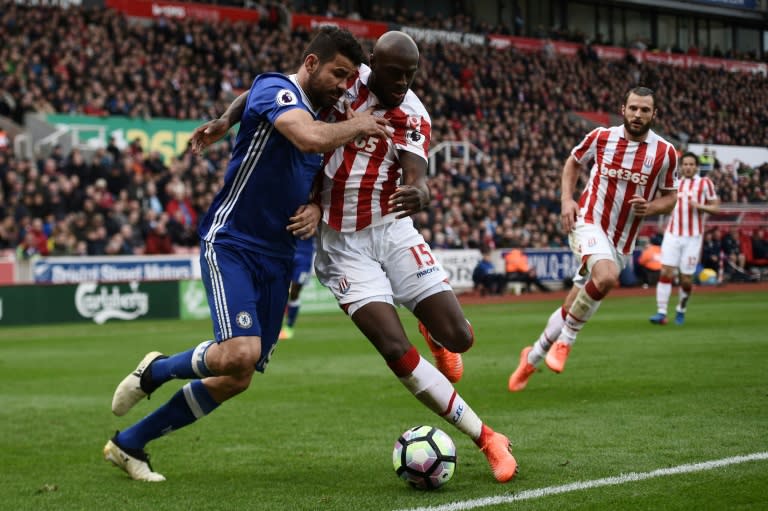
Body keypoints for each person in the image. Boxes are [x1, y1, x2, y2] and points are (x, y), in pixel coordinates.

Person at [195, 31, 519, 483]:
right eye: (394, 73)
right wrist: (224, 120)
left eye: (411, 75)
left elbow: (415, 170)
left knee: (460, 337)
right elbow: (265, 89)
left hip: (390, 229)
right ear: (372, 65)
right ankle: (486, 437)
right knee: (392, 347)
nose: (403, 82)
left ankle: (432, 327)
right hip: (341, 246)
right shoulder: (346, 81)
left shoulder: (413, 114)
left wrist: (421, 191)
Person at [104, 27, 391, 482]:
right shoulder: (279, 90)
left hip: (278, 257)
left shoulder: (322, 111)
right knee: (239, 352)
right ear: (311, 63)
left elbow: (315, 169)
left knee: (237, 376)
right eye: (339, 73)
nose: (343, 85)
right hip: (233, 241)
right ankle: (156, 370)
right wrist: (361, 124)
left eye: (350, 77)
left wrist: (315, 205)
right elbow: (305, 135)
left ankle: (129, 443)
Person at [508, 86, 679, 392]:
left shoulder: (665, 153)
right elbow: (573, 162)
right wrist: (566, 200)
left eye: (644, 110)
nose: (638, 115)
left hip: (621, 241)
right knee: (607, 277)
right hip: (586, 220)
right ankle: (566, 342)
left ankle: (531, 357)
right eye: (633, 108)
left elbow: (671, 198)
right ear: (622, 108)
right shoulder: (601, 137)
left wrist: (650, 207)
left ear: (655, 114)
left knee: (577, 300)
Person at [650, 152, 720, 325]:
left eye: (691, 164)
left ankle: (681, 308)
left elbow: (716, 207)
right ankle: (661, 312)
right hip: (672, 234)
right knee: (666, 271)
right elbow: (665, 204)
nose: (688, 167)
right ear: (681, 166)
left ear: (696, 166)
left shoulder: (705, 183)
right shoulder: (674, 184)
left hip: (693, 237)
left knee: (686, 279)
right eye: (685, 164)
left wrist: (699, 206)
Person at [278, 235, 315, 340]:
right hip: (286, 252)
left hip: (304, 256)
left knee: (294, 293)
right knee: (280, 291)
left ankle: (289, 327)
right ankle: (276, 327)